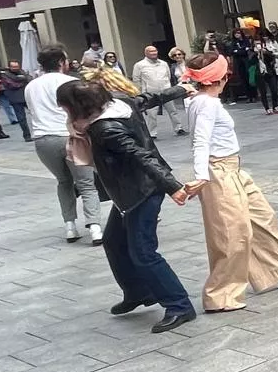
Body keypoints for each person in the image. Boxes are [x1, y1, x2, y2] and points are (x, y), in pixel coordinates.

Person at [58, 79, 197, 333]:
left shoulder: (104, 128)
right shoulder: (119, 105)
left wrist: (172, 186)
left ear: (78, 107)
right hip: (130, 190)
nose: (64, 112)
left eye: (65, 107)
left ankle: (180, 305)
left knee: (143, 253)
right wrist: (181, 89)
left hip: (141, 191)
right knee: (113, 241)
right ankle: (137, 292)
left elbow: (140, 156)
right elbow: (150, 98)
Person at [181, 51, 278, 313]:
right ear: (220, 76)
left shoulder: (202, 100)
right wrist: (201, 176)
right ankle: (220, 296)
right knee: (232, 233)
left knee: (263, 218)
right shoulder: (206, 103)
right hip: (218, 171)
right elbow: (200, 142)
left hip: (233, 169)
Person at [26, 46, 103, 244]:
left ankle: (70, 226)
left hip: (43, 139)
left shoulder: (31, 86)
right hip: (71, 135)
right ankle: (95, 227)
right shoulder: (71, 82)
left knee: (63, 181)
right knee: (86, 184)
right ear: (61, 62)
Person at [132, 46, 184, 136]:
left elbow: (168, 76)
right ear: (146, 53)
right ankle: (152, 133)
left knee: (173, 111)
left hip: (166, 91)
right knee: (151, 114)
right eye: (151, 51)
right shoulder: (139, 65)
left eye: (155, 51)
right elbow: (136, 80)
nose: (154, 53)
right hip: (150, 93)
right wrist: (139, 93)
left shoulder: (163, 63)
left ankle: (179, 128)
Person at [0, 60, 32, 142]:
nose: (15, 68)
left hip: (26, 96)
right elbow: (12, 85)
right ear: (9, 67)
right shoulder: (5, 75)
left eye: (17, 66)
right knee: (21, 118)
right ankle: (27, 135)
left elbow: (30, 78)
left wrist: (21, 79)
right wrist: (23, 81)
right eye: (13, 67)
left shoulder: (22, 71)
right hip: (15, 99)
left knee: (36, 114)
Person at [252, 30, 278, 115]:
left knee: (274, 89)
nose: (265, 38)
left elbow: (276, 53)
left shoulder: (271, 43)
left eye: (266, 36)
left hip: (270, 68)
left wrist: (268, 52)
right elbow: (251, 57)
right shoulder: (255, 46)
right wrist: (257, 51)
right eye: (263, 36)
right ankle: (267, 108)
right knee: (263, 91)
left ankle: (275, 106)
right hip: (260, 70)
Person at [224, 27, 253, 103]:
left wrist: (238, 51)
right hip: (239, 63)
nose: (237, 35)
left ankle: (253, 95)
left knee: (250, 79)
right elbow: (232, 51)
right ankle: (248, 96)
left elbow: (247, 49)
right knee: (243, 79)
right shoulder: (233, 42)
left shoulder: (245, 40)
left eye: (238, 33)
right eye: (235, 33)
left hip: (246, 62)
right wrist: (240, 50)